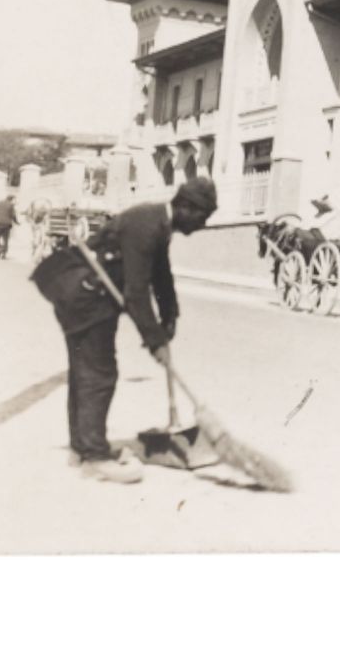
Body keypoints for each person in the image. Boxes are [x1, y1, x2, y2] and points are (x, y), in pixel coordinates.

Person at [31, 176, 218, 484]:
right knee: (99, 374)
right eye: (203, 215)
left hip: (87, 297)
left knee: (85, 372)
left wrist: (169, 317)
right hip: (85, 297)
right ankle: (94, 458)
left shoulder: (158, 223)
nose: (203, 224)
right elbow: (136, 292)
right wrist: (154, 341)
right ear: (186, 206)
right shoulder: (147, 225)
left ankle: (82, 448)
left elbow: (161, 274)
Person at [0, 193, 18, 259]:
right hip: (7, 224)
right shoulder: (11, 205)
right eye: (13, 200)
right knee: (5, 240)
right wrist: (16, 222)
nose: (14, 201)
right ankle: (3, 254)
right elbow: (13, 215)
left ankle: (0, 248)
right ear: (11, 199)